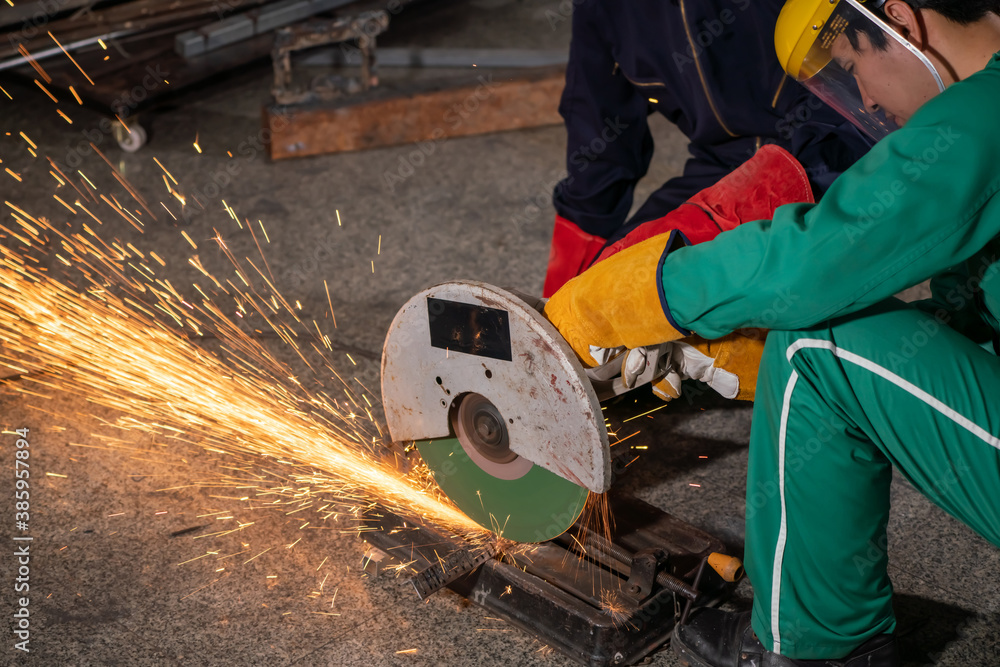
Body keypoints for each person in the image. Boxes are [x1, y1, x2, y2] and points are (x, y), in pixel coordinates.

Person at [544, 0, 1000, 665]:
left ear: (900, 21)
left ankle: (820, 647)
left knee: (819, 344)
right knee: (808, 339)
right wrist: (755, 352)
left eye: (852, 69)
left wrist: (649, 293)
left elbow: (818, 260)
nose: (866, 99)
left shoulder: (980, 118)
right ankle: (826, 634)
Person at [542, 0, 874, 297]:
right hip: (721, 166)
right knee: (609, 291)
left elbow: (851, 112)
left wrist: (728, 214)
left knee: (711, 298)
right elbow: (599, 132)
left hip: (830, 158)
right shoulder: (606, 9)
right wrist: (562, 294)